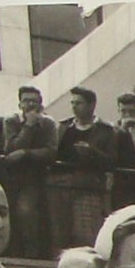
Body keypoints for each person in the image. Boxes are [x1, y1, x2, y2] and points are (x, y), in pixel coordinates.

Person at [47, 87, 118, 251]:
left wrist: (91, 152)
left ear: (91, 105)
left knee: (86, 233)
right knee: (60, 231)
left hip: (89, 187)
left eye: (79, 103)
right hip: (61, 187)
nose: (74, 107)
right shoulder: (64, 128)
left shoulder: (106, 130)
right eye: (72, 103)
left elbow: (112, 161)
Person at [0, 85, 58, 257]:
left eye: (34, 101)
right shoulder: (11, 121)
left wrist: (25, 154)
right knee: (9, 215)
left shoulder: (48, 123)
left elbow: (51, 152)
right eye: (26, 101)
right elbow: (11, 147)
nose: (30, 104)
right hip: (11, 177)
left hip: (35, 178)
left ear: (40, 103)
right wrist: (28, 127)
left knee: (27, 213)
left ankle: (31, 255)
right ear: (20, 104)